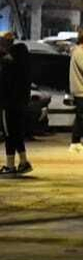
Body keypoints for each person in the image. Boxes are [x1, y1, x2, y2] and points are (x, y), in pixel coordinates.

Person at [0, 31, 33, 175]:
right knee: (17, 134)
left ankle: (10, 166)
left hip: (8, 104)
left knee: (9, 134)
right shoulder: (24, 66)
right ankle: (23, 162)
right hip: (20, 104)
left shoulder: (8, 67)